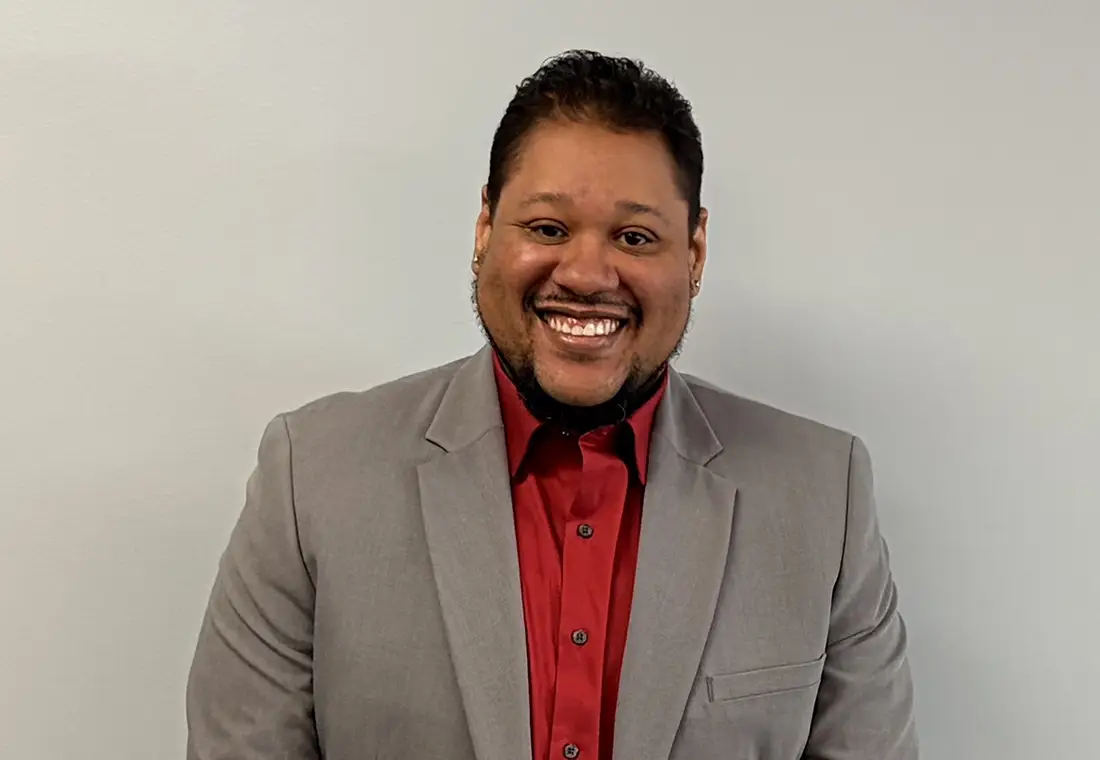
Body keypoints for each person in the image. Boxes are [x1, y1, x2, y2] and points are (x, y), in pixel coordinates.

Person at [186, 49, 918, 760]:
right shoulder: (310, 477)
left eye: (635, 236)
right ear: (485, 228)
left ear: (694, 253)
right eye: (547, 228)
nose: (587, 273)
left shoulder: (824, 495)